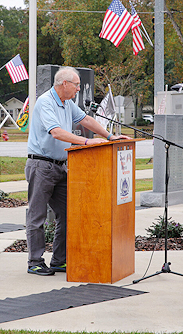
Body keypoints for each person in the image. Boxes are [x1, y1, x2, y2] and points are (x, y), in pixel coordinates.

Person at [25, 66, 131, 276]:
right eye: (76, 85)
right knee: (37, 217)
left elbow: (86, 120)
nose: (78, 89)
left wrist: (110, 137)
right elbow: (56, 132)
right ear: (64, 84)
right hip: (41, 165)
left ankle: (59, 261)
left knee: (68, 213)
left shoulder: (67, 103)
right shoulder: (46, 102)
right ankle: (35, 261)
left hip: (61, 166)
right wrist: (85, 142)